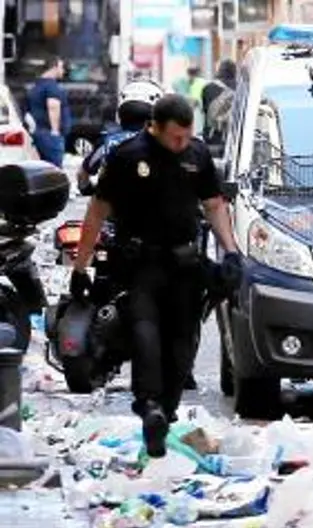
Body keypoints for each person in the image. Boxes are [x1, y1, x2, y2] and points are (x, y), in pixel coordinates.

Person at [69, 94, 242, 458]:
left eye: (186, 136)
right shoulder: (129, 156)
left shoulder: (195, 155)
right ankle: (149, 407)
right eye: (175, 137)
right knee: (145, 334)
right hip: (139, 265)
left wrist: (231, 251)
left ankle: (167, 411)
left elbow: (213, 205)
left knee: (182, 343)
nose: (181, 144)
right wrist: (80, 267)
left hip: (185, 264)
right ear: (155, 127)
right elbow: (97, 212)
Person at [78, 81, 163, 196]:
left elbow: (83, 174)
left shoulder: (107, 141)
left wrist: (87, 189)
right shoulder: (165, 142)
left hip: (114, 206)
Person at [26, 60, 68, 166]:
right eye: (61, 67)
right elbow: (53, 107)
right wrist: (55, 131)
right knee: (55, 170)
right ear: (54, 68)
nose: (63, 71)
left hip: (38, 133)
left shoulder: (36, 86)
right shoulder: (51, 86)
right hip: (50, 135)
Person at [200, 60, 239, 149]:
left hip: (212, 138)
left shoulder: (208, 88)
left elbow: (206, 111)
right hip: (234, 139)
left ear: (219, 71)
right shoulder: (241, 88)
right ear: (235, 72)